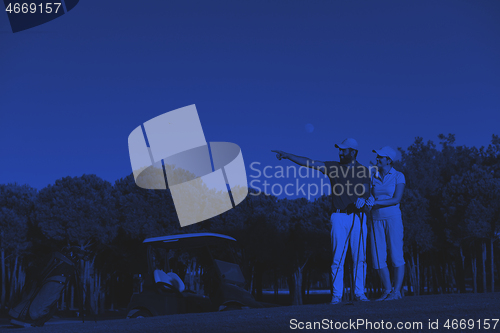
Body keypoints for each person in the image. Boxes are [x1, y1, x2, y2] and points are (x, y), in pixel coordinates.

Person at [272, 138, 371, 304]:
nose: (340, 152)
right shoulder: (333, 167)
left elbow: (367, 192)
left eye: (343, 150)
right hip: (338, 216)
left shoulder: (364, 170)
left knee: (359, 258)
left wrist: (363, 198)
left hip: (358, 217)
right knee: (337, 257)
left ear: (353, 152)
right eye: (339, 149)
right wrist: (288, 155)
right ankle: (337, 296)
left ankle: (360, 294)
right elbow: (310, 163)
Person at [366, 146, 406, 301]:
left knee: (396, 255)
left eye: (380, 157)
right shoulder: (373, 176)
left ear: (388, 160)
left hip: (393, 218)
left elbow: (397, 199)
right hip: (375, 219)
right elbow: (368, 195)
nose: (377, 159)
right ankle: (388, 290)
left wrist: (375, 202)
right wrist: (368, 202)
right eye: (377, 156)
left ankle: (396, 292)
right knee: (377, 257)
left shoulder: (398, 176)